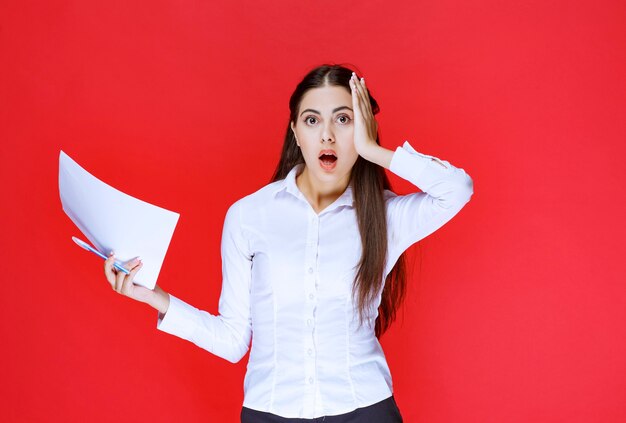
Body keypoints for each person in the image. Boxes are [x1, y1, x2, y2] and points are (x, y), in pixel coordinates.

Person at [103, 63, 474, 422]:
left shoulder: (386, 216)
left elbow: (457, 189)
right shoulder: (249, 216)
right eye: (312, 120)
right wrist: (151, 295)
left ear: (362, 127)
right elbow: (232, 341)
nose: (327, 135)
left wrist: (372, 148)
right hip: (270, 412)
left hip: (366, 409)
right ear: (296, 131)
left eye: (343, 119)